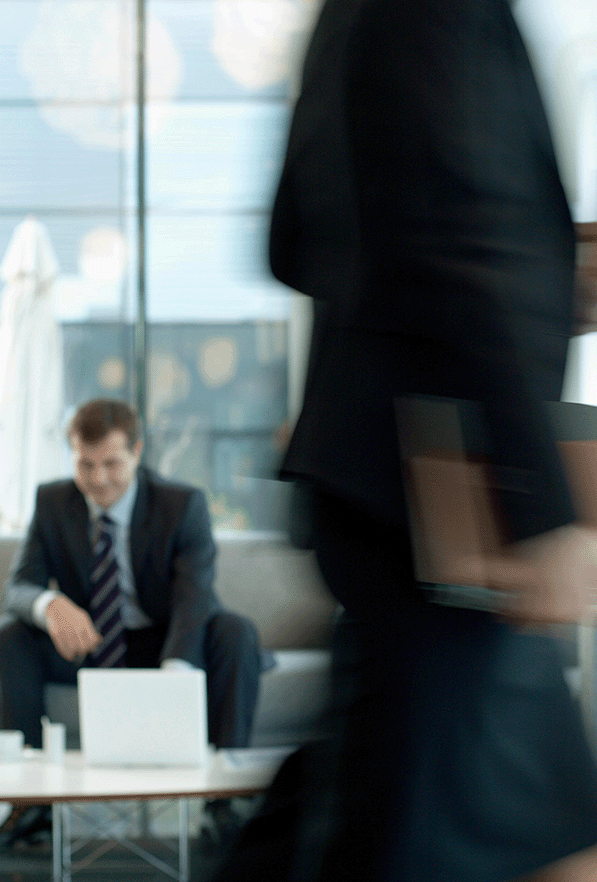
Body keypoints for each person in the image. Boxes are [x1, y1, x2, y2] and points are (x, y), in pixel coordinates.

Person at [213, 1, 597, 881]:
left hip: (389, 494)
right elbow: (454, 245)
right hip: (444, 503)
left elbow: (293, 242)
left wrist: (548, 273)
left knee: (367, 821)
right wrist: (543, 509)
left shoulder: (353, 13)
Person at [0, 398, 264, 849]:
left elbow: (194, 596)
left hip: (163, 641)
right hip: (89, 643)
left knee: (236, 632)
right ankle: (32, 805)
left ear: (137, 453)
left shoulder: (182, 504)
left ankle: (222, 803)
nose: (98, 479)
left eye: (111, 464)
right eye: (85, 464)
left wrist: (173, 678)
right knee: (10, 637)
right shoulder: (52, 501)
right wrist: (50, 603)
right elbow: (19, 586)